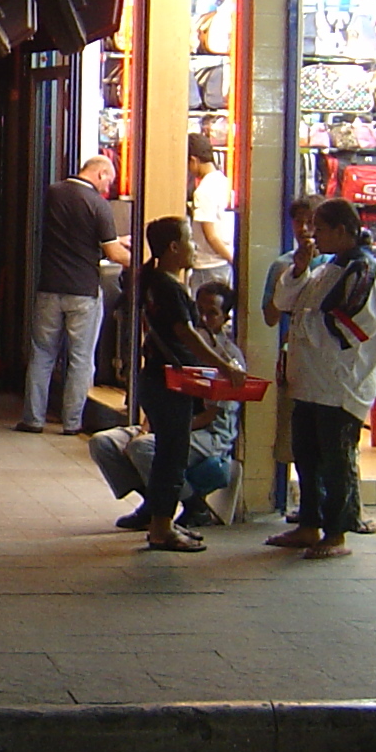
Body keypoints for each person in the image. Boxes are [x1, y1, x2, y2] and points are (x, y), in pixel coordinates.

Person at [265, 197, 376, 560]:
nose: (312, 234)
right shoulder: (328, 267)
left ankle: (336, 532)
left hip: (339, 384)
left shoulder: (365, 271)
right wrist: (299, 269)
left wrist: (309, 328)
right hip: (310, 382)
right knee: (307, 456)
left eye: (319, 228)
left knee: (336, 461)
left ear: (340, 230)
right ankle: (309, 523)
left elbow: (355, 326)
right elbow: (286, 302)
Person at [129, 230, 244, 552]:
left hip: (156, 377)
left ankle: (159, 523)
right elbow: (187, 334)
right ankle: (162, 528)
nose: (195, 248)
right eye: (190, 241)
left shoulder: (151, 282)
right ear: (173, 246)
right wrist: (225, 366)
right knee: (171, 456)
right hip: (172, 382)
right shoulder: (168, 287)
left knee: (169, 453)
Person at [21, 154, 127, 435]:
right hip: (83, 291)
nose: (108, 189)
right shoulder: (98, 204)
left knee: (42, 354)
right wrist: (139, 260)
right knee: (81, 359)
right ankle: (72, 422)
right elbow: (113, 252)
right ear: (101, 174)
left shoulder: (53, 193)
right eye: (109, 182)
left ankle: (33, 418)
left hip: (49, 287)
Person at [261, 194, 325, 517]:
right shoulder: (281, 265)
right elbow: (270, 316)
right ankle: (307, 505)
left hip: (330, 367)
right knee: (296, 437)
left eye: (312, 222)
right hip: (295, 363)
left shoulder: (335, 265)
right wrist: (292, 278)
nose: (305, 229)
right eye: (299, 222)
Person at [184, 134, 232, 296]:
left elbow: (210, 236)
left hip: (207, 264)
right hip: (223, 261)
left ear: (193, 160)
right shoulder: (223, 181)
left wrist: (232, 260)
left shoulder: (204, 191)